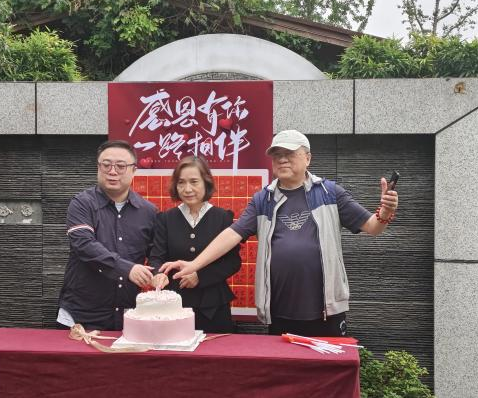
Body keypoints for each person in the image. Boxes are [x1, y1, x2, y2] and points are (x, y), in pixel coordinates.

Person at [161, 130, 399, 337]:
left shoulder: (329, 193)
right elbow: (232, 234)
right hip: (279, 309)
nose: (282, 159)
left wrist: (385, 212)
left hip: (326, 310)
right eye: (277, 155)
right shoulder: (263, 199)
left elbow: (373, 227)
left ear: (308, 158)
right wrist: (194, 265)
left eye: (290, 153)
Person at [57, 140, 157, 331]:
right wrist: (128, 269)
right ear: (98, 167)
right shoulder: (82, 203)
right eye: (106, 165)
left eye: (120, 166)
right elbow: (84, 245)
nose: (112, 171)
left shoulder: (149, 211)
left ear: (134, 170)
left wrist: (158, 273)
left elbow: (156, 253)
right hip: (81, 315)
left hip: (128, 315)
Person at [149, 156, 241, 333]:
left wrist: (200, 276)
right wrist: (157, 274)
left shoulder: (222, 218)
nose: (187, 189)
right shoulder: (165, 219)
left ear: (206, 183)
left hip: (213, 306)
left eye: (194, 182)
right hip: (173, 306)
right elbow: (156, 257)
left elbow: (232, 262)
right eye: (181, 182)